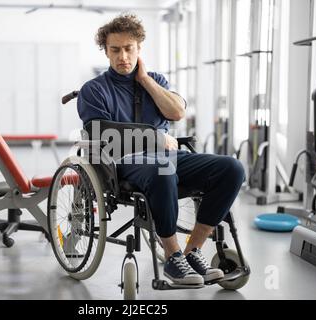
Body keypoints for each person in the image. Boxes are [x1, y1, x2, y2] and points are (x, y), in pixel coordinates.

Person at [77, 13, 245, 286]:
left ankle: (192, 251)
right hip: (122, 162)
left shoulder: (155, 80)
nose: (123, 56)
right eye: (115, 50)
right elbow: (99, 131)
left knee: (232, 168)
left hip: (167, 157)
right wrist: (152, 135)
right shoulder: (94, 90)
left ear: (139, 48)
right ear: (105, 51)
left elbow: (177, 111)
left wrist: (145, 81)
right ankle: (172, 255)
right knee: (163, 167)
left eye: (129, 49)